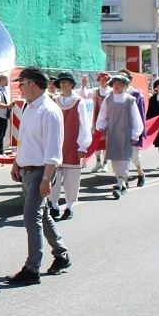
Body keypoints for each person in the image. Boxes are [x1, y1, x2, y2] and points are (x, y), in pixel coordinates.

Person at [4, 67, 70, 285]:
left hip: (41, 170)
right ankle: (61, 254)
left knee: (31, 217)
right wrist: (16, 162)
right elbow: (25, 140)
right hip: (27, 169)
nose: (19, 88)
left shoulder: (49, 111)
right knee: (41, 216)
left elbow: (53, 150)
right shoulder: (29, 107)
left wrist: (46, 179)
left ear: (32, 84)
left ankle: (32, 269)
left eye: (21, 84)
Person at [47, 72, 90, 221]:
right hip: (56, 143)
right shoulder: (54, 100)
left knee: (71, 177)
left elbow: (84, 124)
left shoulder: (79, 101)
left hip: (72, 143)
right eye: (61, 82)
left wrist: (83, 145)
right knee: (54, 176)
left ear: (72, 84)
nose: (63, 84)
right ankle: (54, 204)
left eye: (66, 82)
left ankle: (69, 206)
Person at [95, 73, 144, 199]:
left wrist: (135, 134)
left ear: (124, 85)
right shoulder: (108, 100)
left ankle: (119, 185)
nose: (116, 85)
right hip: (112, 135)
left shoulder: (130, 100)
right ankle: (121, 184)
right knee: (115, 160)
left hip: (126, 134)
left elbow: (136, 119)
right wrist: (101, 126)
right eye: (115, 83)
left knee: (124, 159)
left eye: (120, 83)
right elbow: (102, 117)